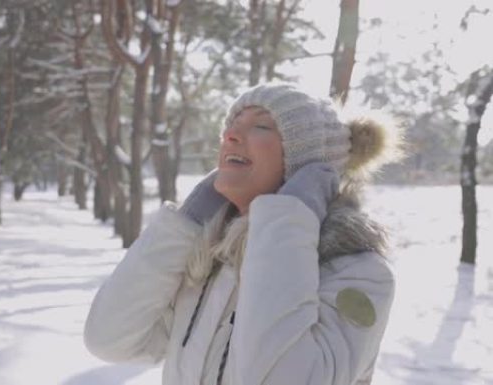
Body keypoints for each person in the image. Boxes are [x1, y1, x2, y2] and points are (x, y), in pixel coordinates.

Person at [84, 83, 403, 385]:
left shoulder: (358, 272)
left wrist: (289, 212)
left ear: (305, 166)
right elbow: (109, 340)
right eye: (232, 124)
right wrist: (186, 224)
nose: (230, 135)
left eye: (261, 126)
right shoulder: (211, 259)